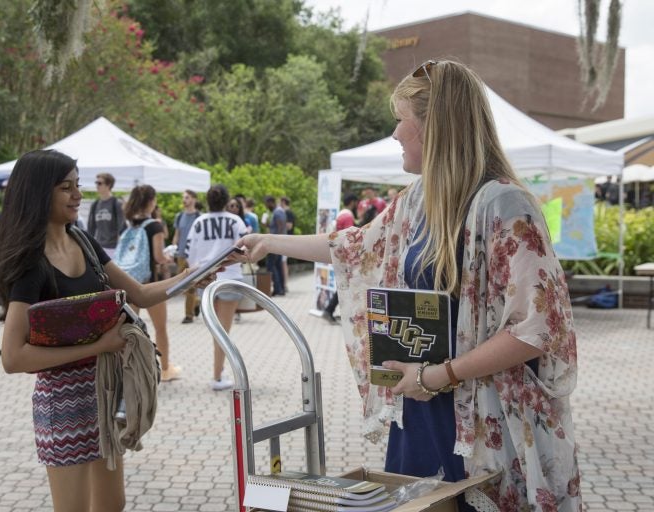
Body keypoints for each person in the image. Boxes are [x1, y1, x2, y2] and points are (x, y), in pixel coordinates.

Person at [237, 60, 580, 511]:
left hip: (478, 418)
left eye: (402, 120)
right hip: (419, 410)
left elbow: (537, 328)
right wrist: (269, 242)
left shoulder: (504, 203)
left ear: (436, 128)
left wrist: (440, 375)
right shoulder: (417, 200)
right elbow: (356, 246)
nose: (395, 133)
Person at [0, 150, 204, 511]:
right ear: (38, 193)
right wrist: (100, 345)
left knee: (112, 504)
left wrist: (191, 276)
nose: (78, 195)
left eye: (78, 185)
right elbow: (13, 357)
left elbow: (137, 293)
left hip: (104, 395)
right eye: (66, 187)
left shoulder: (83, 241)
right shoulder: (31, 263)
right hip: (63, 405)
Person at [185, 185, 247, 390]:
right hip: (230, 278)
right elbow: (245, 249)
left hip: (205, 278)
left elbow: (190, 253)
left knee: (215, 330)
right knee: (224, 331)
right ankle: (218, 376)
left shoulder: (199, 222)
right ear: (227, 200)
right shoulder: (235, 221)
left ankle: (218, 372)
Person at [123, 185, 180, 382]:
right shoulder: (154, 226)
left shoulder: (131, 224)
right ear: (151, 201)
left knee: (132, 331)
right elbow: (158, 256)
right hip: (150, 285)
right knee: (160, 329)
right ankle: (164, 370)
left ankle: (129, 370)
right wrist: (168, 258)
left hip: (130, 283)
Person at [322, 192, 359, 325]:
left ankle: (331, 310)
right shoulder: (348, 216)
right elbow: (350, 237)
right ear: (353, 202)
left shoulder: (340, 214)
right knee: (347, 285)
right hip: (346, 256)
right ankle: (331, 310)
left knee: (345, 285)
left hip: (338, 253)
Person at [172, 190, 200, 324]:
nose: (184, 200)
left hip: (194, 256)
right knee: (180, 285)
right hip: (181, 255)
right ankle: (196, 302)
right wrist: (173, 249)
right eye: (183, 198)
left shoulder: (199, 217)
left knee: (190, 285)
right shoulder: (179, 216)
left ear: (194, 199)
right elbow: (177, 235)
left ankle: (188, 315)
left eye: (187, 198)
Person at [88, 172, 125, 255]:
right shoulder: (95, 204)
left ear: (108, 185)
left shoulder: (117, 203)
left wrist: (120, 248)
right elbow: (91, 229)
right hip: (99, 247)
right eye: (96, 183)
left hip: (114, 248)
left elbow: (122, 227)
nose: (97, 185)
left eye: (100, 183)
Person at [263, 195, 286, 296]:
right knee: (277, 266)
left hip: (275, 244)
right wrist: (266, 224)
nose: (266, 206)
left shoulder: (277, 212)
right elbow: (276, 226)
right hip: (278, 243)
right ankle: (280, 289)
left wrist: (276, 241)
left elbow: (280, 227)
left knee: (271, 266)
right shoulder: (278, 211)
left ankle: (278, 289)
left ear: (271, 202)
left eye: (267, 204)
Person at [280, 196, 295, 293]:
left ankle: (285, 284)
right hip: (286, 240)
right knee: (284, 263)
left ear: (283, 202)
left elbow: (289, 226)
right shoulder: (287, 212)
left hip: (286, 240)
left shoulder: (288, 212)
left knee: (284, 263)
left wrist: (279, 225)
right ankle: (284, 284)